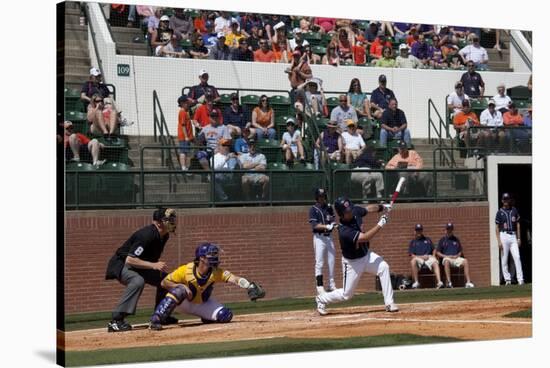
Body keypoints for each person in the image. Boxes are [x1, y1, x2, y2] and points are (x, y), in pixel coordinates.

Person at [149, 243, 264, 329]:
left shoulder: (215, 272)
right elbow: (164, 283)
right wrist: (181, 285)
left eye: (215, 254)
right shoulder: (185, 270)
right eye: (211, 254)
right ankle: (156, 319)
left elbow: (234, 278)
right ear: (202, 258)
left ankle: (207, 317)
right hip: (183, 302)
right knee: (179, 290)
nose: (214, 257)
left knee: (225, 315)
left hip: (201, 303)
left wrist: (249, 285)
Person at [315, 197, 398, 316]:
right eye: (347, 211)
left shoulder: (354, 211)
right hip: (352, 263)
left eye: (350, 209)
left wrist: (382, 207)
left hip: (366, 255)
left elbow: (367, 209)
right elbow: (365, 238)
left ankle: (389, 303)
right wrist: (380, 224)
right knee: (346, 295)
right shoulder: (343, 231)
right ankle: (321, 299)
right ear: (341, 214)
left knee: (383, 267)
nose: (350, 211)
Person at [105, 208, 178, 332]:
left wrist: (152, 266)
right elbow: (130, 260)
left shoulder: (164, 235)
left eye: (172, 219)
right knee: (137, 281)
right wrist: (153, 265)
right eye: (168, 219)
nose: (172, 221)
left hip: (138, 265)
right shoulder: (147, 235)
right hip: (122, 264)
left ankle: (161, 315)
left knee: (166, 280)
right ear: (158, 222)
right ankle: (116, 321)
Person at [309, 188, 337, 294]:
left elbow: (333, 220)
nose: (322, 198)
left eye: (323, 196)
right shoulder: (313, 209)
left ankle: (331, 284)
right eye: (320, 196)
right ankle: (319, 286)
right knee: (319, 262)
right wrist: (327, 226)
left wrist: (333, 225)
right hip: (319, 237)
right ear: (317, 197)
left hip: (329, 237)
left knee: (331, 260)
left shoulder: (329, 208)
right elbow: (315, 225)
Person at [495, 193, 524, 285]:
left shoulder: (514, 210)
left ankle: (520, 279)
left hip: (513, 235)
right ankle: (507, 279)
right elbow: (497, 228)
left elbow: (518, 224)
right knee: (504, 258)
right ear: (502, 201)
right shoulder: (499, 212)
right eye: (504, 199)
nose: (506, 201)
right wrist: (499, 241)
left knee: (517, 257)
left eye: (507, 199)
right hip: (503, 235)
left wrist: (519, 238)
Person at [436, 222, 475, 288]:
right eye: (448, 229)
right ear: (445, 230)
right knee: (446, 261)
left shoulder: (456, 239)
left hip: (456, 258)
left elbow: (460, 251)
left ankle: (468, 282)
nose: (449, 231)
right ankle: (449, 282)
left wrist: (457, 255)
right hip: (447, 258)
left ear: (452, 230)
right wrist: (446, 256)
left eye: (451, 229)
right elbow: (438, 253)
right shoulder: (442, 240)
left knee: (465, 261)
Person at [408, 224, 444, 289]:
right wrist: (421, 257)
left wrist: (433, 256)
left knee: (435, 262)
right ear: (415, 231)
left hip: (428, 257)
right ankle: (416, 282)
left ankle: (439, 282)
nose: (419, 232)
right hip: (418, 258)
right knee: (413, 261)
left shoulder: (427, 239)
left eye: (420, 230)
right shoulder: (413, 242)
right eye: (417, 230)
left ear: (422, 231)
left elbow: (434, 249)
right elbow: (412, 255)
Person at [176, 95, 197, 172]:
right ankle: (183, 167)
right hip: (184, 136)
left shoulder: (186, 111)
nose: (187, 104)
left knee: (186, 151)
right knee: (183, 151)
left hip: (188, 135)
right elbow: (183, 125)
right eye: (186, 102)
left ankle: (185, 166)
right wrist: (186, 136)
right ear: (182, 103)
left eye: (187, 102)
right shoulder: (182, 112)